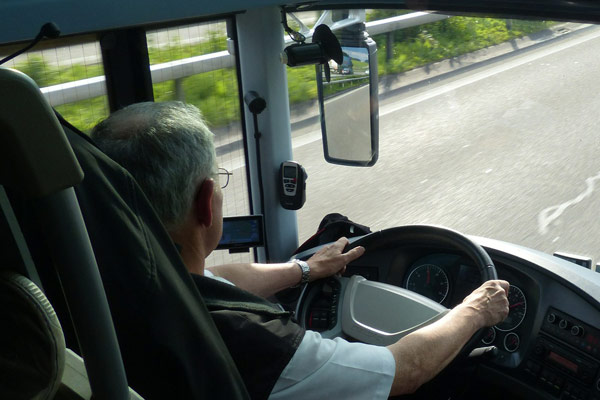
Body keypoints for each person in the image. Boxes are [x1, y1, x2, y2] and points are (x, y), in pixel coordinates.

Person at [91, 101, 510, 399]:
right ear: (206, 202)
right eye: (218, 181)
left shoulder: (108, 280)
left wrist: (305, 269)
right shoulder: (256, 341)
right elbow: (407, 371)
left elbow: (222, 280)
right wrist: (476, 310)